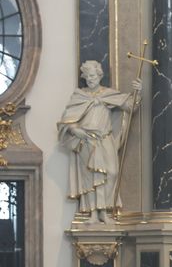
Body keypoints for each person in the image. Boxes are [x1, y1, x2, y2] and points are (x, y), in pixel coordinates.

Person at [57, 60, 142, 223]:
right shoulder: (79, 95)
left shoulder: (108, 94)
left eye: (93, 75)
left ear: (99, 76)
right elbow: (66, 120)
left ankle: (106, 210)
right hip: (86, 140)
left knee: (111, 172)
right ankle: (94, 213)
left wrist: (138, 92)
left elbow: (131, 107)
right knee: (90, 176)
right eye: (87, 76)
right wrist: (75, 130)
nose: (90, 79)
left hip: (105, 138)